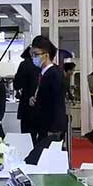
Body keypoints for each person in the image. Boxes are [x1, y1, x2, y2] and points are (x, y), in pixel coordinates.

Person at [24, 36, 67, 164]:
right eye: (32, 54)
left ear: (46, 55)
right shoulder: (43, 73)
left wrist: (53, 129)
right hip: (43, 126)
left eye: (36, 54)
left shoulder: (54, 74)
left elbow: (56, 103)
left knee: (40, 161)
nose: (33, 58)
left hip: (51, 128)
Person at [14, 46, 40, 143]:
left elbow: (17, 85)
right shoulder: (43, 65)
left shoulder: (24, 64)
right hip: (42, 107)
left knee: (28, 139)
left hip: (26, 107)